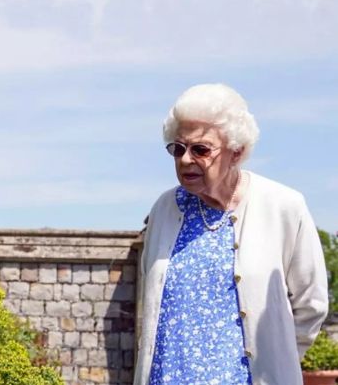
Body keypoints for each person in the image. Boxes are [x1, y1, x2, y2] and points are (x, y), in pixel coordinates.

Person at [134, 84, 328, 385]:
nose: (186, 160)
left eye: (200, 149)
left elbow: (311, 305)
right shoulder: (165, 209)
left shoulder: (284, 206)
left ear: (236, 152)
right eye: (178, 148)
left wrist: (275, 360)